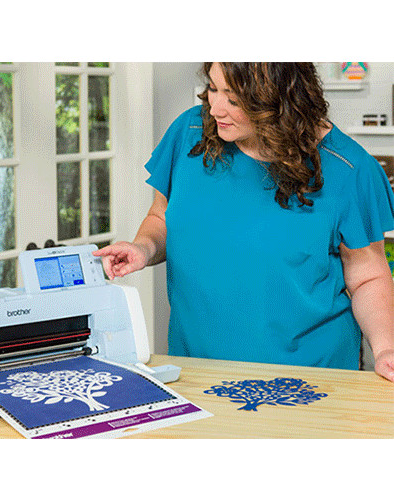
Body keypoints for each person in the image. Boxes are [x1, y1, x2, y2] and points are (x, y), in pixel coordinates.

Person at [93, 62, 394, 382]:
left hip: (311, 379)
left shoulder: (348, 168)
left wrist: (386, 349)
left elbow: (367, 276)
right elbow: (161, 216)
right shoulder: (189, 132)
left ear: (281, 98)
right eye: (213, 88)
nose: (216, 108)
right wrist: (143, 247)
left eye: (234, 99)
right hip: (197, 371)